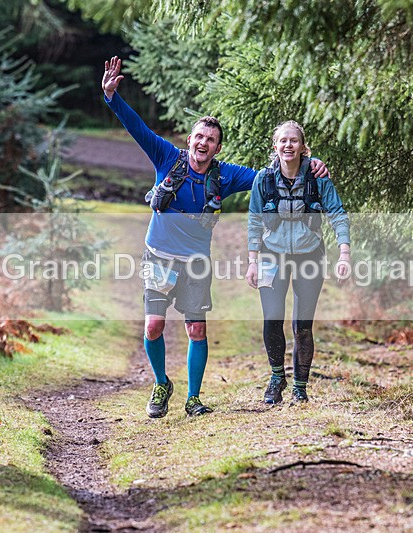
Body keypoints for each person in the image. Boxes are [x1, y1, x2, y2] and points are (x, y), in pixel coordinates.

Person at [101, 57, 330, 418]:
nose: (203, 143)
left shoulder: (225, 176)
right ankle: (162, 383)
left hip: (195, 263)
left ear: (218, 148)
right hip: (159, 255)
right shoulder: (166, 157)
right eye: (199, 137)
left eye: (211, 139)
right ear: (189, 140)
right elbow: (137, 128)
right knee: (153, 325)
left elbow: (272, 175)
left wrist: (309, 162)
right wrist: (113, 97)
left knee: (195, 330)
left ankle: (193, 398)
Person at [246, 120, 350, 404]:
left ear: (303, 147)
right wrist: (252, 261)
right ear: (275, 145)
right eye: (283, 141)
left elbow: (337, 214)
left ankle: (300, 388)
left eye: (294, 141)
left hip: (309, 254)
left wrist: (344, 254)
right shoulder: (263, 180)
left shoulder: (318, 178)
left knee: (303, 325)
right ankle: (277, 378)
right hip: (271, 255)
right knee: (272, 319)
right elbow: (254, 221)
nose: (288, 145)